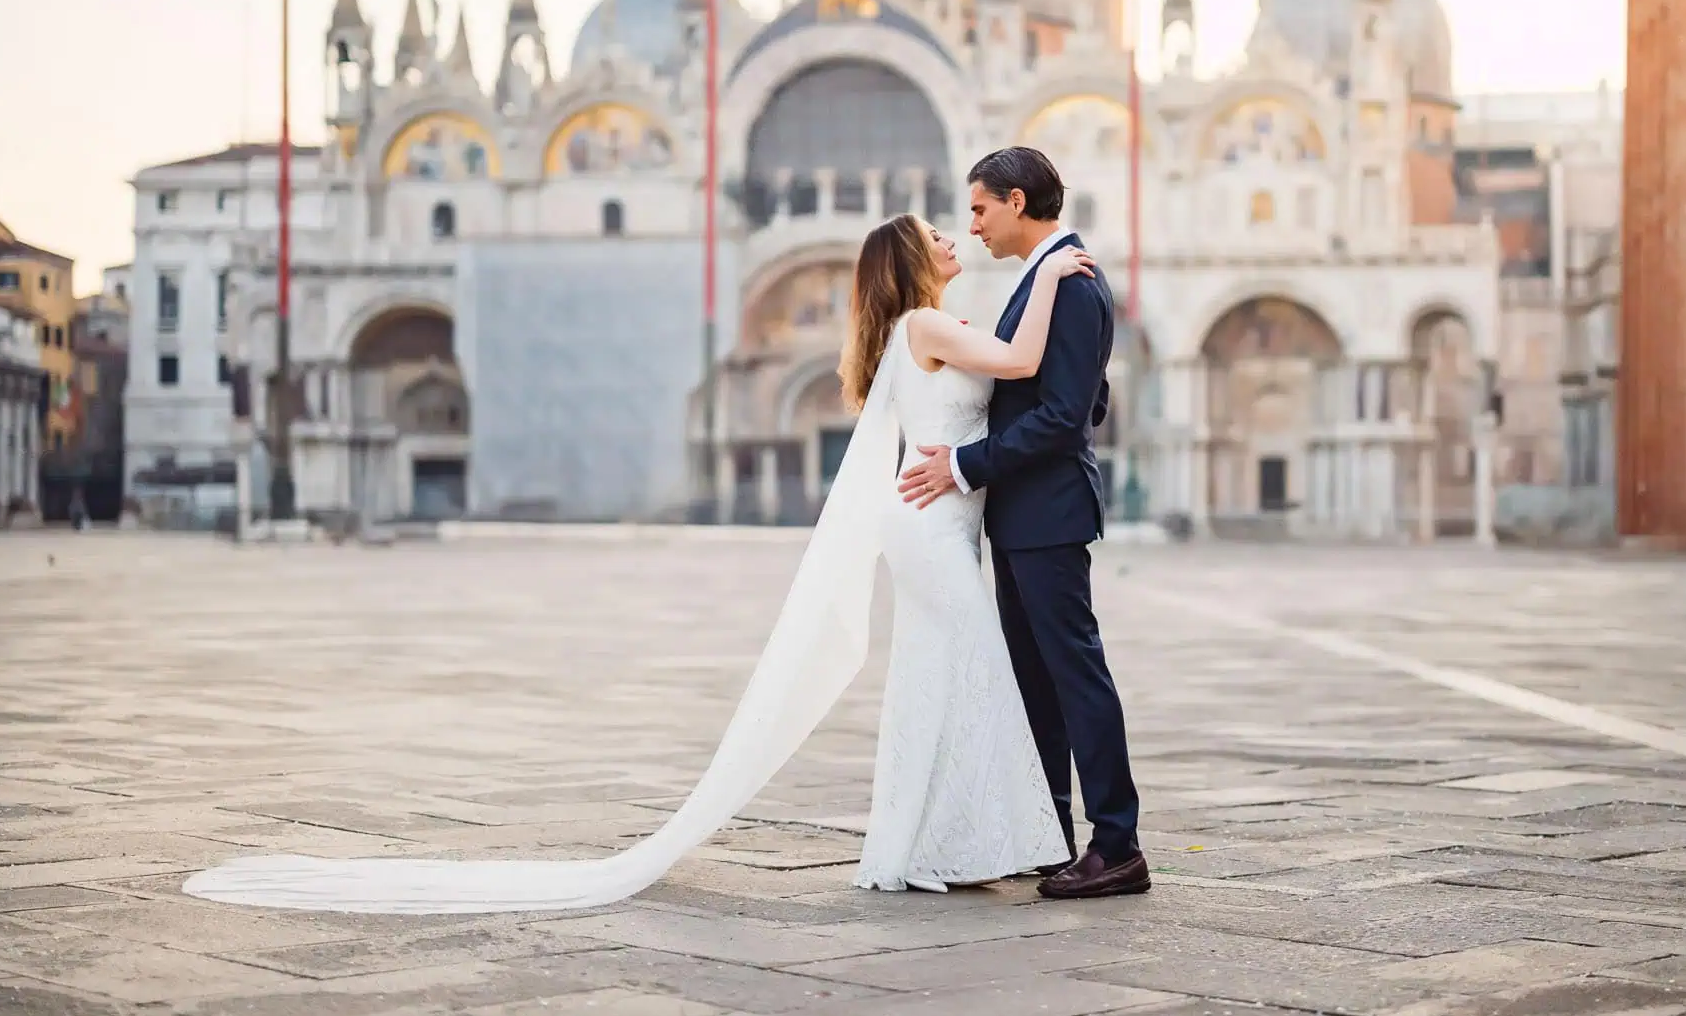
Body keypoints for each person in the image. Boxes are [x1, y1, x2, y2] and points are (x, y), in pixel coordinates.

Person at [180, 205, 1100, 913]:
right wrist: (1058, 265)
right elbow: (1021, 362)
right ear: (910, 260)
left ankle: (932, 842)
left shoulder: (913, 331)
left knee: (944, 674)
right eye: (939, 234)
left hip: (935, 516)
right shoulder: (929, 328)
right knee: (969, 669)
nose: (955, 237)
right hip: (935, 521)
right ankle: (957, 842)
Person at [898, 145, 1148, 900]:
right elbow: (1086, 397)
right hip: (1024, 513)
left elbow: (1065, 415)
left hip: (1046, 512)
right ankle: (1052, 834)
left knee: (1075, 675)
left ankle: (1118, 843)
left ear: (1014, 200)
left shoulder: (1070, 282)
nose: (972, 224)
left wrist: (968, 463)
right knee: (1037, 682)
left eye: (979, 208)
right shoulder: (1049, 278)